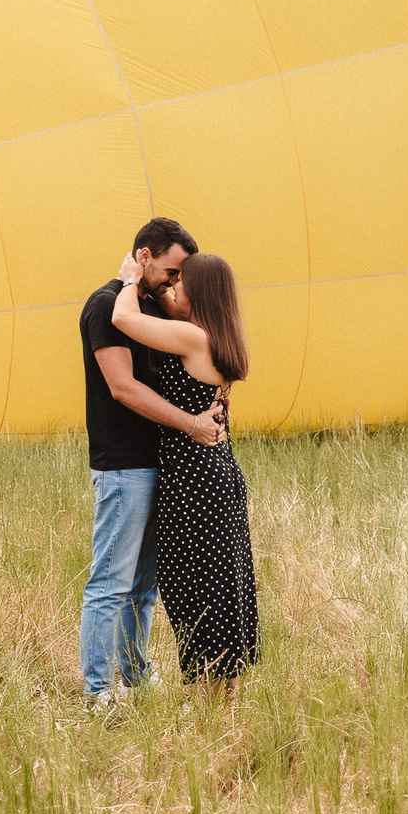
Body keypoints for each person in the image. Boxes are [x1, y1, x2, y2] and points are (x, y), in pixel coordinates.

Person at [78, 217, 224, 708]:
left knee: (144, 585)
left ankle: (136, 673)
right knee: (112, 581)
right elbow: (123, 387)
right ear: (144, 256)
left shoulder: (149, 307)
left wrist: (150, 289)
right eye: (170, 270)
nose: (175, 282)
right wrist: (190, 424)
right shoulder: (106, 305)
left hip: (163, 462)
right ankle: (98, 691)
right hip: (124, 464)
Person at [110, 250, 259, 687]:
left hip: (194, 480)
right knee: (220, 587)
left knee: (194, 591)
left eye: (183, 281)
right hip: (215, 472)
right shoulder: (217, 335)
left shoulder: (193, 340)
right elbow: (173, 307)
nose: (176, 287)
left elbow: (124, 319)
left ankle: (211, 701)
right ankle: (222, 701)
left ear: (201, 291)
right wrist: (161, 287)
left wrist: (129, 279)